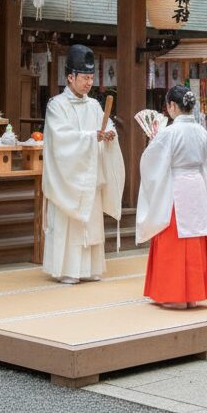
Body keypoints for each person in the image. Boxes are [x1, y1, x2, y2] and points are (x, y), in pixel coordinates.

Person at [41, 44, 125, 284]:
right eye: (85, 78)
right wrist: (92, 138)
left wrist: (109, 135)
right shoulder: (57, 105)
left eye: (91, 78)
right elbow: (60, 140)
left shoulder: (94, 105)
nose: (89, 83)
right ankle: (67, 269)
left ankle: (89, 269)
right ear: (70, 77)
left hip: (90, 175)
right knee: (70, 224)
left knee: (90, 223)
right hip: (68, 178)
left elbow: (105, 126)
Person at [135, 85, 207, 308]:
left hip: (176, 189)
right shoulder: (201, 132)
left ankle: (174, 294)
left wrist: (154, 142)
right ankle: (193, 293)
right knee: (195, 236)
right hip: (197, 186)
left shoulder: (169, 133)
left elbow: (151, 163)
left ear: (172, 106)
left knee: (174, 238)